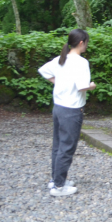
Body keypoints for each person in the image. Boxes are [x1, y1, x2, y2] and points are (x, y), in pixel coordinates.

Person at [38, 29, 96, 197]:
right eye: (86, 42)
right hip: (72, 109)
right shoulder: (81, 62)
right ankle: (59, 186)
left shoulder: (60, 59)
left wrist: (59, 83)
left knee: (58, 145)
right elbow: (82, 86)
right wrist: (92, 85)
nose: (87, 45)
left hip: (58, 107)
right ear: (81, 42)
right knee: (67, 147)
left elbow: (43, 71)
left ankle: (56, 179)